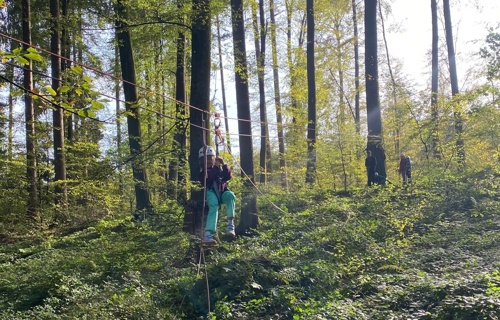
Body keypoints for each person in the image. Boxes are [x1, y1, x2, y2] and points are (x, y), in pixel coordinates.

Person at [198, 146, 236, 245]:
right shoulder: (203, 173)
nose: (208, 161)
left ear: (214, 158)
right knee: (213, 206)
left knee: (230, 195)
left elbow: (227, 177)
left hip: (222, 192)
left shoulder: (218, 170)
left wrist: (224, 165)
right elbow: (208, 179)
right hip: (211, 192)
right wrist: (216, 167)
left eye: (210, 158)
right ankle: (208, 233)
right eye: (205, 159)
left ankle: (230, 224)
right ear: (202, 161)